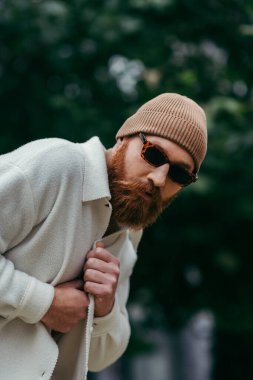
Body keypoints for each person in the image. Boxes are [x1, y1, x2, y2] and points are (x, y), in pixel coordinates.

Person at [0, 93, 207, 380]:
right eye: (153, 154)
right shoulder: (59, 165)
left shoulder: (130, 229)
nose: (159, 179)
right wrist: (43, 303)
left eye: (180, 175)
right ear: (124, 137)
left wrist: (106, 307)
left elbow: (100, 357)